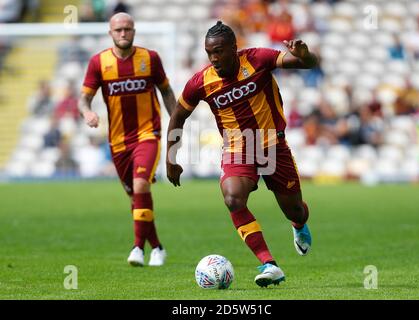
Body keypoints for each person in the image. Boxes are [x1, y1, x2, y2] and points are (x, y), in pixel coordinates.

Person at [166, 21, 316, 287]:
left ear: (234, 49)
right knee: (233, 198)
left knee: (294, 210)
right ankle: (269, 264)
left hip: (274, 145)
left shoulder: (258, 59)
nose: (214, 58)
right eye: (209, 52)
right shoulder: (200, 82)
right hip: (238, 147)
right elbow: (178, 115)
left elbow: (306, 64)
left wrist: (304, 55)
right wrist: (171, 157)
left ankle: (298, 225)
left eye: (219, 51)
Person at [78, 13, 176, 267]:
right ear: (110, 33)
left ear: (134, 31)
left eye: (128, 29)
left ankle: (137, 249)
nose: (124, 33)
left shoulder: (150, 58)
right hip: (118, 142)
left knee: (141, 186)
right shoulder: (98, 62)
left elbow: (166, 91)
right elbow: (83, 98)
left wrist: (177, 124)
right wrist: (87, 112)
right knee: (136, 198)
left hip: (148, 135)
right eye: (119, 30)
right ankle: (157, 248)